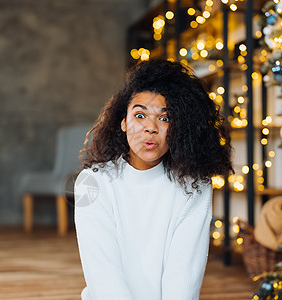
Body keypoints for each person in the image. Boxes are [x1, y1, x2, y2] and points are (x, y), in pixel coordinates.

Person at [74, 59, 233, 300]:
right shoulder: (92, 182)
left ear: (180, 128)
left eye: (165, 118)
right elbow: (103, 274)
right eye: (140, 115)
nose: (151, 128)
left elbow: (183, 278)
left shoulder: (194, 186)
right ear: (124, 122)